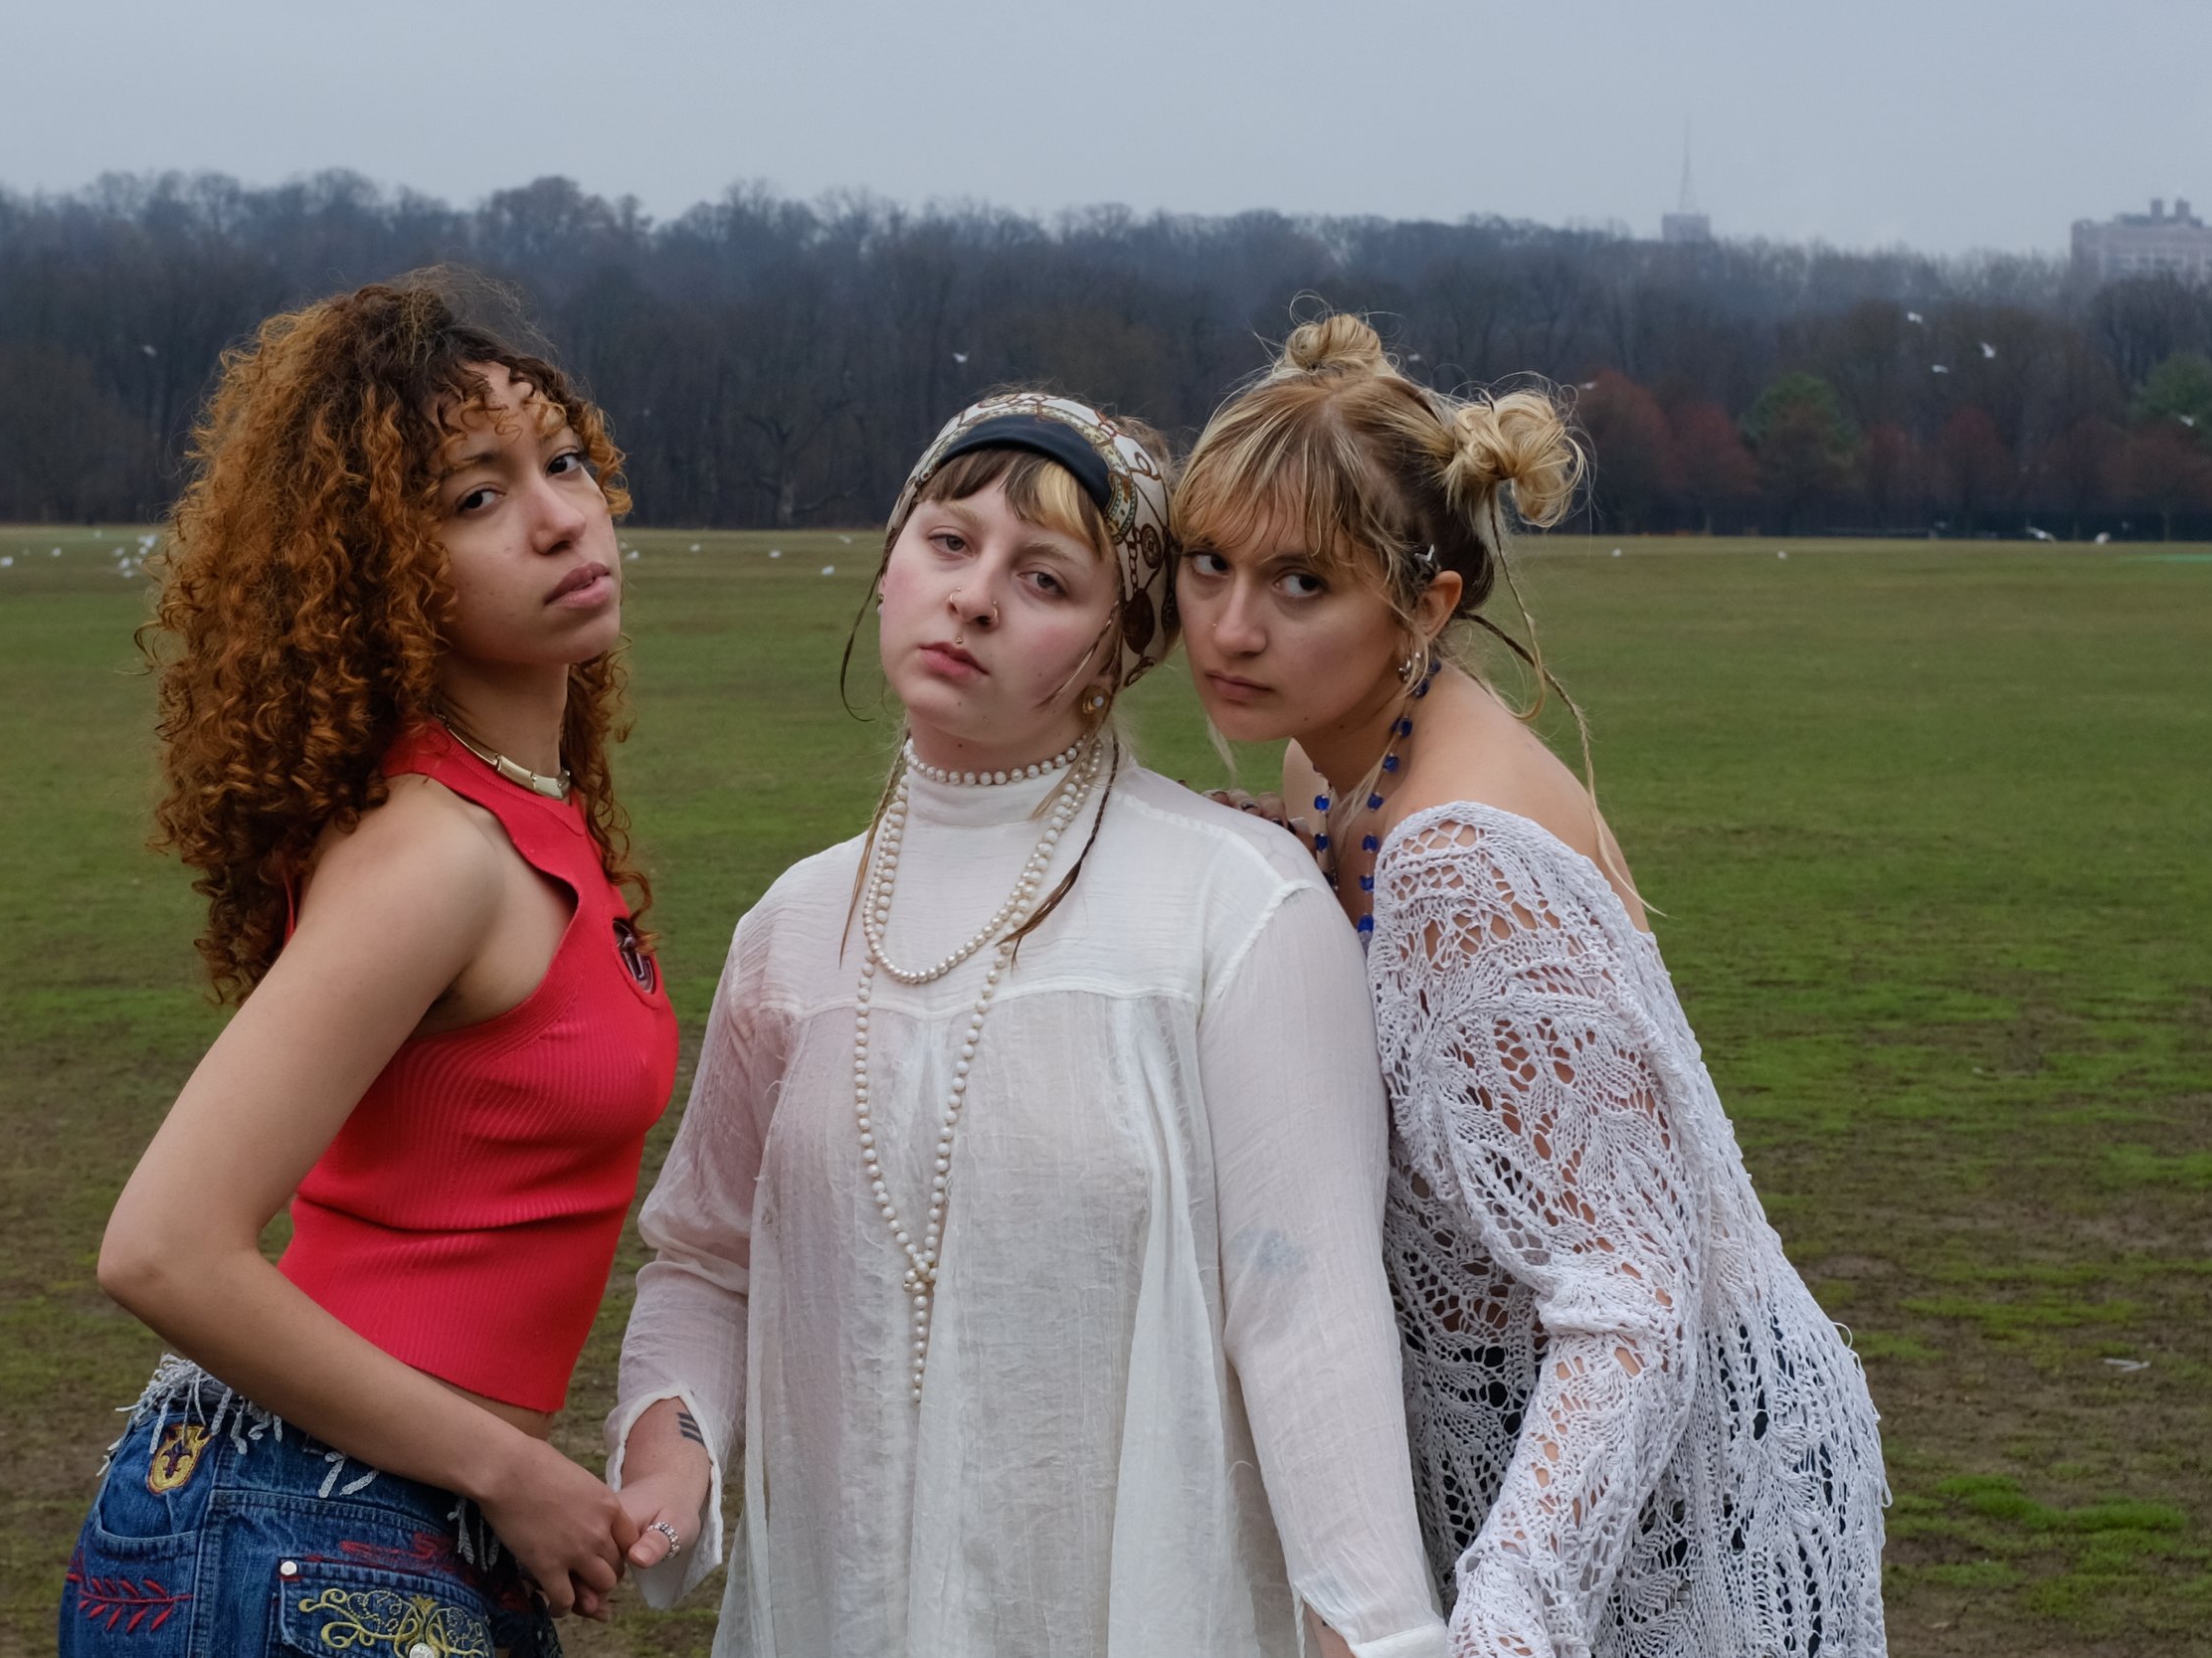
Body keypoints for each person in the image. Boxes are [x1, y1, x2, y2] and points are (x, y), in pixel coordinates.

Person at [602, 391, 1449, 1657]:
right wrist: (669, 1445)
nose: (976, 596)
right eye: (949, 542)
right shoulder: (795, 928)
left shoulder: (1236, 906)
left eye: (1044, 576)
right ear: (889, 562)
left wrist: (1375, 1634)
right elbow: (706, 1258)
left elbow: (1305, 1312)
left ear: (1121, 643)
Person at [1170, 312, 1889, 1658]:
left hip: (1690, 1492)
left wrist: (1510, 1613)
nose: (1230, 622)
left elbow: (1632, 1291)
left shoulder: (1460, 862)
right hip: (1543, 1458)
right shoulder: (1325, 765)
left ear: (1426, 606)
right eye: (1208, 562)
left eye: (1301, 583)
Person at [58, 274, 678, 1658]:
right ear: (376, 565)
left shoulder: (520, 809)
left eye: (563, 461)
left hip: (391, 1517)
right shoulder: (435, 851)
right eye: (476, 496)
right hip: (308, 1529)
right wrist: (512, 1467)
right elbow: (163, 1244)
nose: (560, 514)